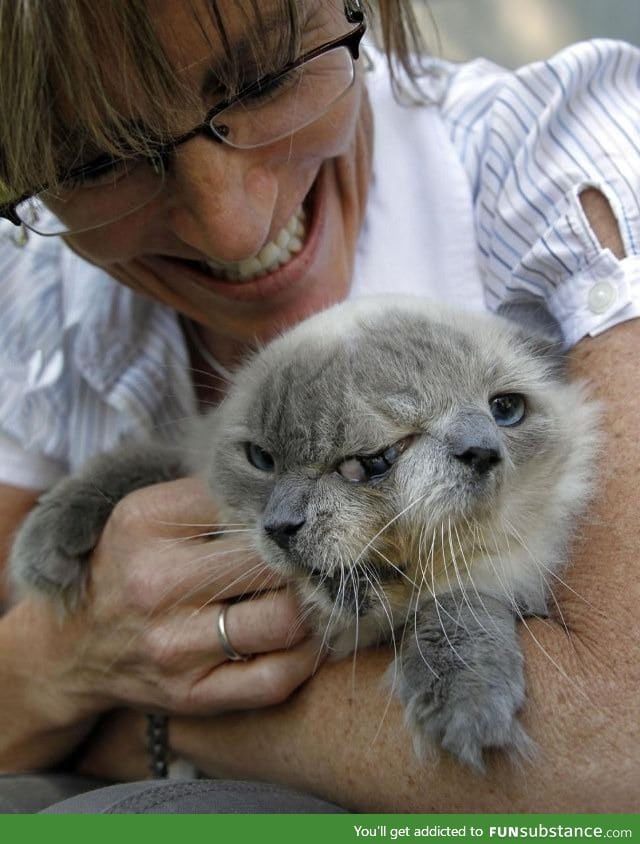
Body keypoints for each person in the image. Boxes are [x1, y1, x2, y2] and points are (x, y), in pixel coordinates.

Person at [0, 0, 638, 814]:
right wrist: (56, 658)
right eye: (95, 162)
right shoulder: (38, 287)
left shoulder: (580, 158)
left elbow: (610, 757)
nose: (232, 229)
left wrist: (138, 720)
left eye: (267, 78)